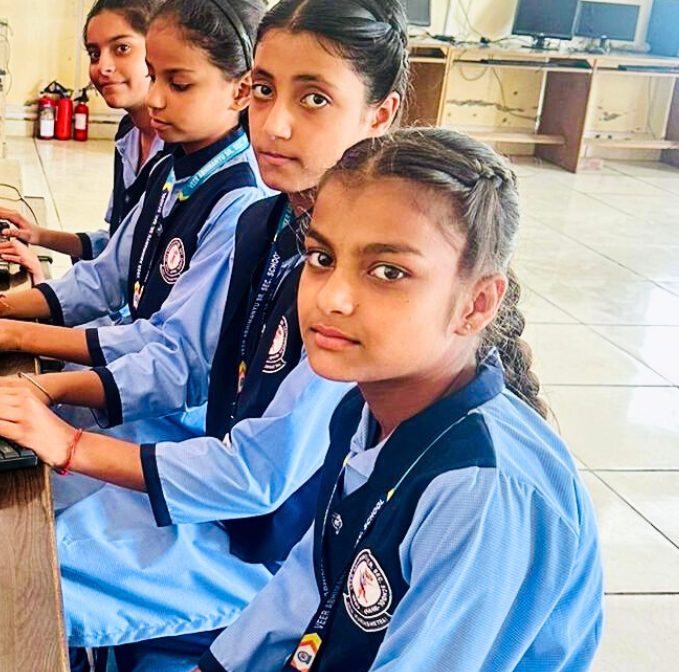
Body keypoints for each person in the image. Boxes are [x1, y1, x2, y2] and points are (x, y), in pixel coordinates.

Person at [0, 0, 410, 667]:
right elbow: (184, 358)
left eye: (314, 99)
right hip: (213, 491)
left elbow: (259, 474)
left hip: (266, 547)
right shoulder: (265, 219)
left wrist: (68, 440)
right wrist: (29, 373)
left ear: (379, 113)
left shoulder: (359, 277)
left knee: (11, 571)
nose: (275, 125)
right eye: (265, 91)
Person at [191, 129, 603, 671]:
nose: (332, 297)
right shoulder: (363, 407)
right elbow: (311, 581)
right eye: (321, 257)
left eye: (388, 272)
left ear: (476, 305)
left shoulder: (480, 492)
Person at [0, 0, 265, 412]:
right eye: (154, 76)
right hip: (126, 374)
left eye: (179, 84)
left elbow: (175, 364)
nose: (154, 98)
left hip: (162, 419)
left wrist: (16, 334)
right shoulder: (173, 168)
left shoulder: (239, 205)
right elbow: (104, 276)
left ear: (241, 91)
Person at [0, 0, 167, 280]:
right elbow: (116, 244)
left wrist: (45, 284)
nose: (103, 67)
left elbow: (135, 272)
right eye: (95, 54)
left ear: (158, 52)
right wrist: (38, 235)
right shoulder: (129, 134)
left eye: (121, 48)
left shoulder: (178, 155)